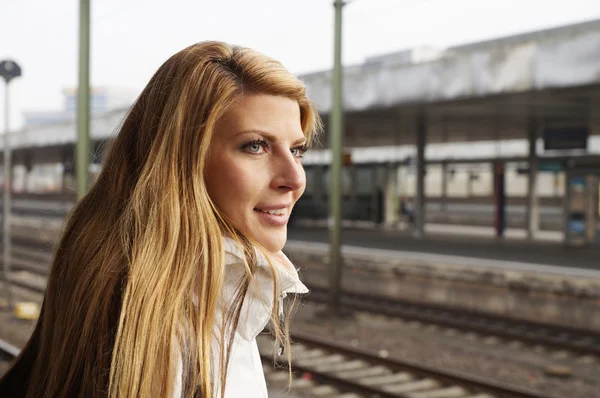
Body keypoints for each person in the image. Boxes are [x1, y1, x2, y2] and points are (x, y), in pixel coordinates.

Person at [0, 41, 322, 398]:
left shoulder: (188, 293)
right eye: (255, 146)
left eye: (296, 150)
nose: (294, 179)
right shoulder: (161, 326)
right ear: (182, 161)